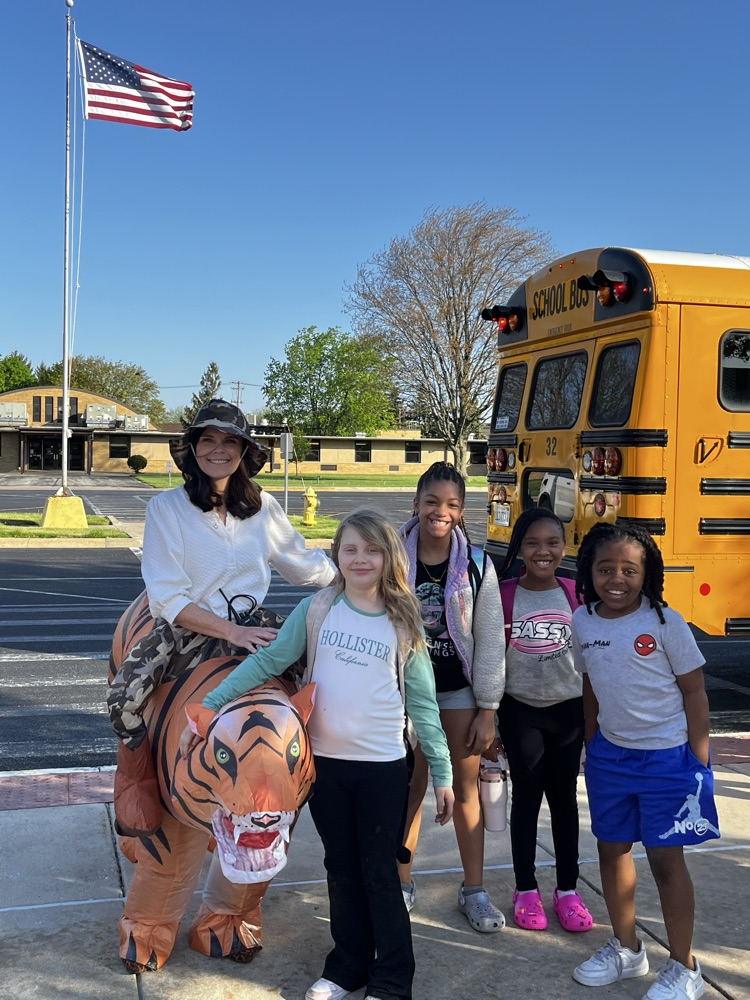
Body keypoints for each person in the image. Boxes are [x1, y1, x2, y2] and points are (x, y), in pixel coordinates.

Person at [181, 508, 454, 1000]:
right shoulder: (318, 610)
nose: (360, 559)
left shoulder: (403, 622)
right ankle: (347, 966)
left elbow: (423, 703)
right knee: (341, 867)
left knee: (379, 872)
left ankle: (393, 980)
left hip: (382, 767)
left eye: (371, 550)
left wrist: (442, 771)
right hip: (325, 766)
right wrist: (213, 703)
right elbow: (269, 660)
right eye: (350, 549)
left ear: (389, 556)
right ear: (337, 555)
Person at [107, 399, 335, 836]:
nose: (218, 449)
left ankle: (315, 774)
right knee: (125, 699)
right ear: (192, 448)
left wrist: (354, 583)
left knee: (321, 680)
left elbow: (301, 562)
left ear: (244, 450)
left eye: (229, 440)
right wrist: (233, 632)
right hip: (188, 627)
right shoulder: (166, 508)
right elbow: (167, 598)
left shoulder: (263, 507)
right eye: (207, 439)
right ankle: (136, 777)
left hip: (255, 619)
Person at [570, 522, 719, 1000]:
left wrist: (699, 761)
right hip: (611, 757)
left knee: (664, 860)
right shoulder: (583, 622)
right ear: (589, 571)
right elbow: (591, 686)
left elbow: (694, 692)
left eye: (629, 570)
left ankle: (684, 966)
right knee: (612, 850)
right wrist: (593, 746)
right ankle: (627, 949)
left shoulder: (665, 622)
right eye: (605, 568)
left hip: (668, 759)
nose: (617, 578)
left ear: (647, 573)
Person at [397, 461, 506, 932]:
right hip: (402, 694)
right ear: (417, 504)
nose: (441, 511)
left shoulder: (478, 566)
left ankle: (475, 890)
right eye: (432, 502)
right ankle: (400, 882)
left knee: (465, 792)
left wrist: (488, 708)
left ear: (462, 512)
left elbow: (488, 641)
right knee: (408, 790)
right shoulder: (392, 558)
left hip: (458, 692)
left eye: (452, 504)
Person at [493, 507, 593, 934]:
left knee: (565, 802)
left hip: (567, 712)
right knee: (528, 800)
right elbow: (490, 661)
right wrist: (491, 721)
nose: (543, 551)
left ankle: (567, 889)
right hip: (521, 713)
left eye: (552, 542)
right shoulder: (503, 595)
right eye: (532, 543)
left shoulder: (576, 595)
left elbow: (592, 665)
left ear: (564, 547)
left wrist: (593, 721)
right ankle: (526, 888)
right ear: (519, 548)